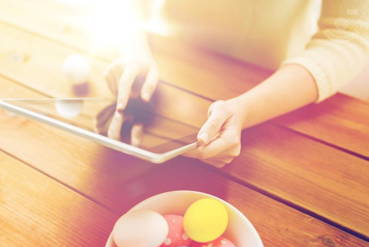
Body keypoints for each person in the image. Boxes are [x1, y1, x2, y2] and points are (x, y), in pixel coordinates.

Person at [104, 0, 369, 167]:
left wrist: (245, 110)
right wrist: (131, 48)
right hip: (165, 68)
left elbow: (347, 36)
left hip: (271, 89)